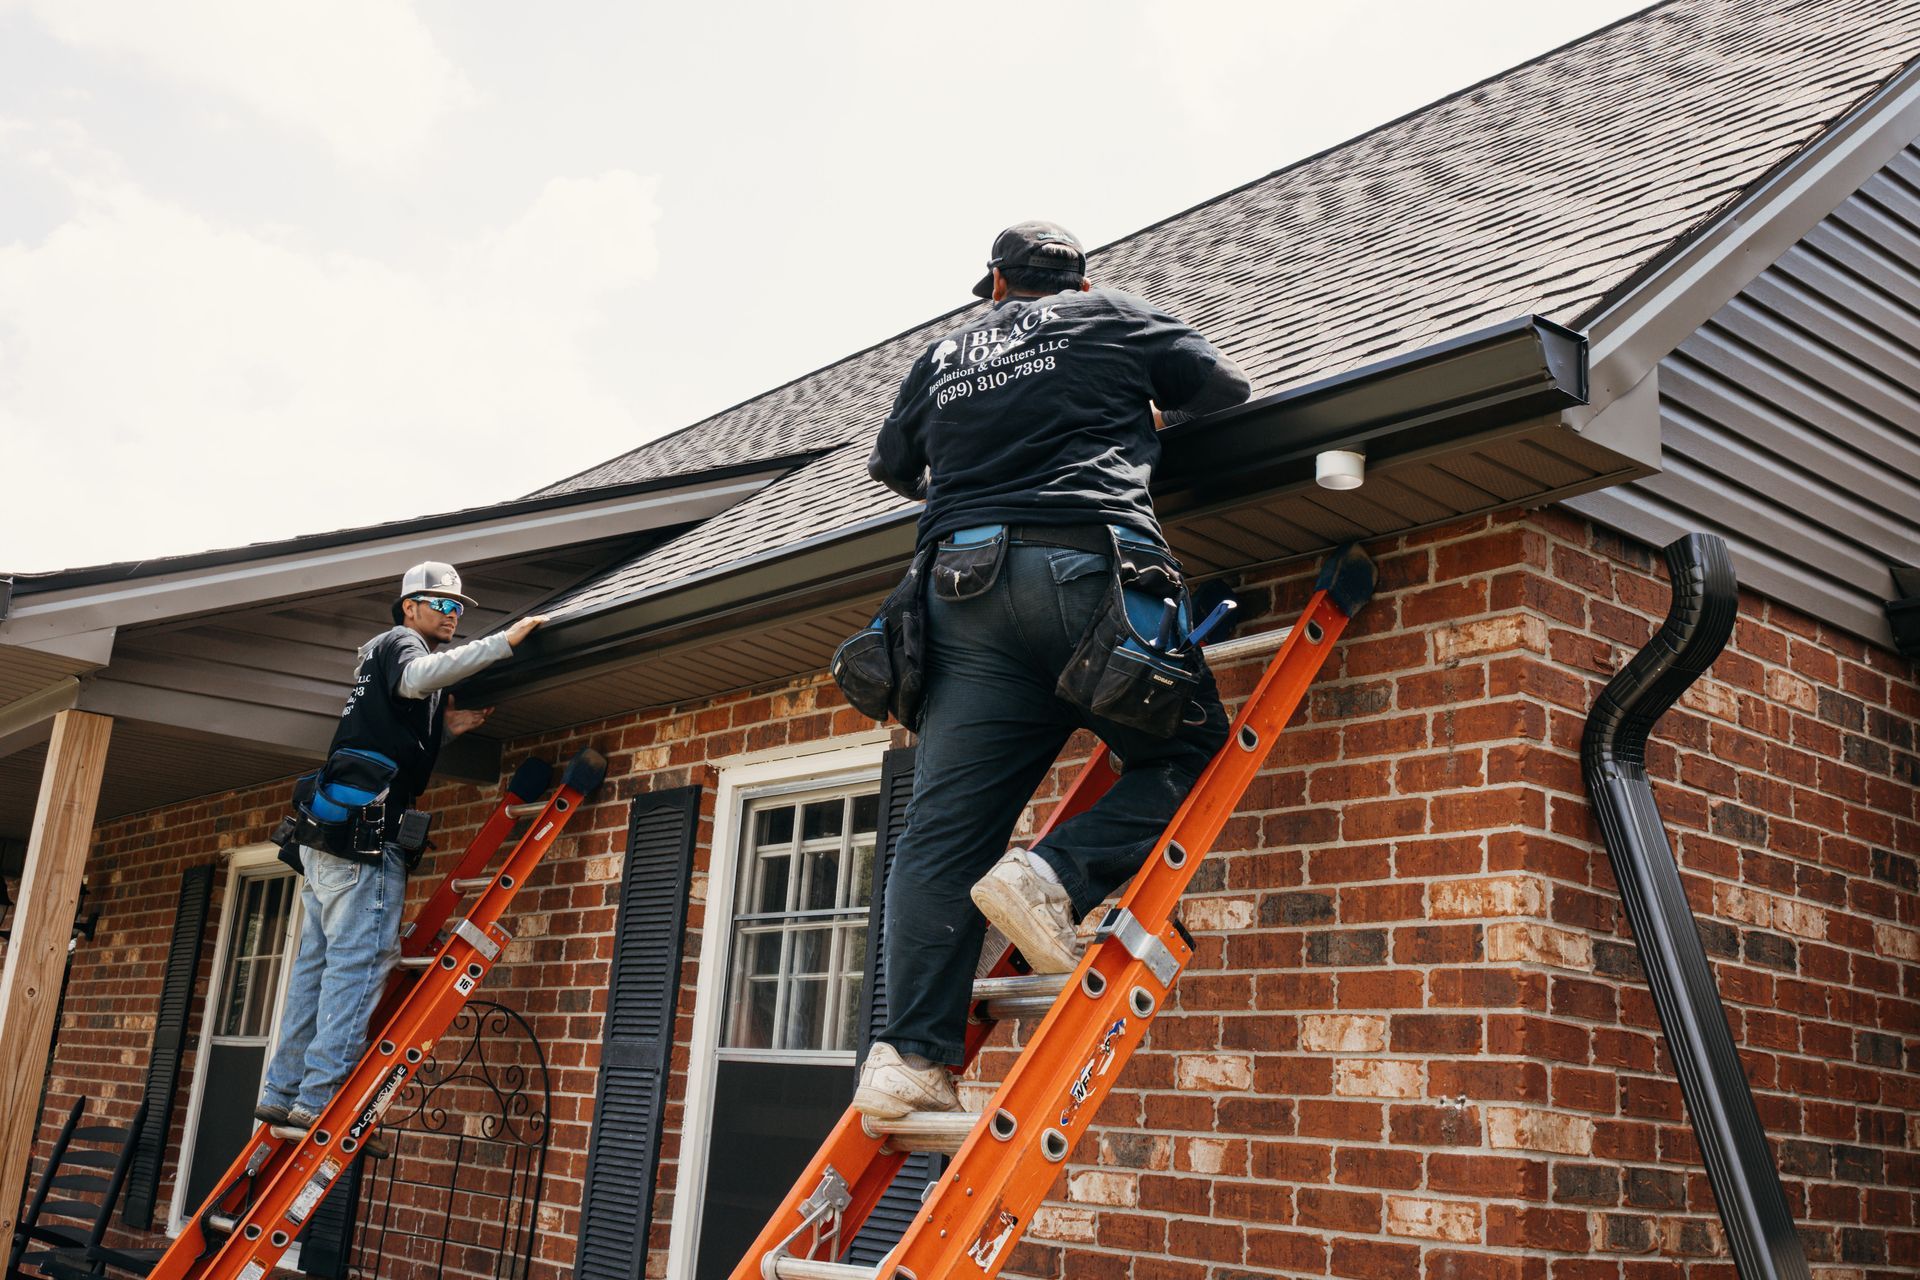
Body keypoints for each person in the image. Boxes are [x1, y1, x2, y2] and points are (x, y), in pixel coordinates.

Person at [853, 221, 1252, 1119]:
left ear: (995, 286)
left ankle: (907, 1060)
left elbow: (891, 466)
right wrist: (1138, 421)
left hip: (959, 591)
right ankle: (1053, 877)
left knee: (939, 835)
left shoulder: (946, 352)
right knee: (1189, 755)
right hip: (1086, 572)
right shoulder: (1112, 317)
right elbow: (1224, 389)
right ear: (1074, 282)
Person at [255, 561, 545, 1137]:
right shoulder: (401, 644)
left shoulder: (378, 659)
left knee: (315, 966)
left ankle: (283, 1089)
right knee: (361, 962)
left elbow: (390, 725)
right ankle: (318, 1100)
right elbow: (418, 679)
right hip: (366, 841)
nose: (453, 615)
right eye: (442, 604)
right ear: (410, 605)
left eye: (459, 608)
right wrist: (503, 644)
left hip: (327, 839)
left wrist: (446, 728)